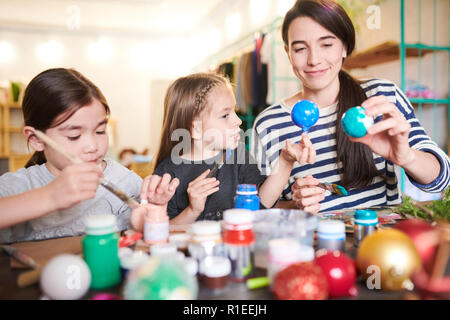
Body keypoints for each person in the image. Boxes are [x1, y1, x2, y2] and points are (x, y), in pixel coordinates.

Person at [252, 0, 450, 214]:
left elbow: (442, 180)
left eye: (326, 45)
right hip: (310, 243)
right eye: (300, 48)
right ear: (288, 53)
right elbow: (257, 206)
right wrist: (296, 204)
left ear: (344, 46)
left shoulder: (381, 97)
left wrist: (406, 157)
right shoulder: (268, 123)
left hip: (382, 240)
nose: (314, 59)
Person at [0, 68, 178, 243]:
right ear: (36, 139)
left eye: (100, 131)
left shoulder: (125, 182)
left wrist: (150, 215)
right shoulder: (20, 186)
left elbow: (146, 229)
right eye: (74, 136)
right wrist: (49, 196)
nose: (93, 146)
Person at [150, 72, 314, 226]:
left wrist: (285, 160)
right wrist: (193, 210)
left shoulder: (239, 156)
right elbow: (162, 230)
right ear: (196, 128)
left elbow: (261, 202)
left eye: (234, 111)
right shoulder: (166, 175)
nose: (238, 121)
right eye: (225, 115)